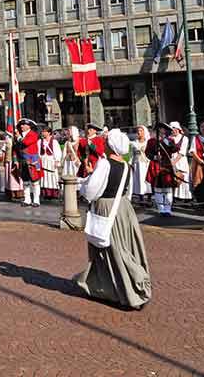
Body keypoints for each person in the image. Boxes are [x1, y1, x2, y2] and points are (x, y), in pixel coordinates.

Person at [74, 128, 151, 310]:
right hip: (123, 208)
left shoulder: (105, 164)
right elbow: (127, 191)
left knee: (110, 250)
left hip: (107, 208)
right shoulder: (126, 165)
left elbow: (92, 190)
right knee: (121, 246)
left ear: (110, 146)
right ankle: (113, 288)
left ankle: (126, 287)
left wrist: (84, 186)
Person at [146, 122, 177, 216]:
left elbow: (175, 149)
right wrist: (155, 157)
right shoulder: (151, 141)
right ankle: (161, 209)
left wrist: (167, 142)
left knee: (167, 188)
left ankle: (168, 209)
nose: (162, 131)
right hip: (156, 166)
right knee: (158, 188)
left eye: (164, 130)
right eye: (161, 130)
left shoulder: (169, 140)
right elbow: (147, 153)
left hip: (166, 166)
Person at [14, 119, 43, 207]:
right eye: (21, 125)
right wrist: (16, 160)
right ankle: (27, 200)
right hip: (22, 161)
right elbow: (16, 148)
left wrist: (18, 137)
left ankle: (36, 200)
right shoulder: (20, 135)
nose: (21, 126)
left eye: (23, 125)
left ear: (29, 126)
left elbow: (26, 142)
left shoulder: (33, 134)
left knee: (35, 182)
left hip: (32, 161)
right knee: (25, 181)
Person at [166, 122, 193, 203]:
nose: (173, 130)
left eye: (174, 128)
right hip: (170, 160)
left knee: (183, 177)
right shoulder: (168, 138)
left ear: (178, 129)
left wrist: (174, 162)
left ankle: (186, 197)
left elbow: (182, 152)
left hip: (180, 160)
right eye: (171, 129)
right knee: (173, 178)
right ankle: (175, 197)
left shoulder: (184, 138)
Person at [129, 125, 152, 205]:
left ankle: (149, 197)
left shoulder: (148, 142)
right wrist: (130, 163)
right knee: (139, 179)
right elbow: (131, 154)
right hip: (137, 163)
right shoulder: (134, 143)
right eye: (138, 131)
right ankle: (141, 197)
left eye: (141, 131)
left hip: (146, 163)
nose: (139, 132)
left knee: (147, 180)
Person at [39, 126, 61, 200]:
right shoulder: (40, 141)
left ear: (49, 133)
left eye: (44, 131)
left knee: (52, 177)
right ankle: (45, 193)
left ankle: (53, 193)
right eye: (43, 131)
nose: (43, 133)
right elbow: (38, 151)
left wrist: (57, 160)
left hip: (51, 160)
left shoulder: (54, 142)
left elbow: (57, 152)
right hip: (43, 160)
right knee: (44, 177)